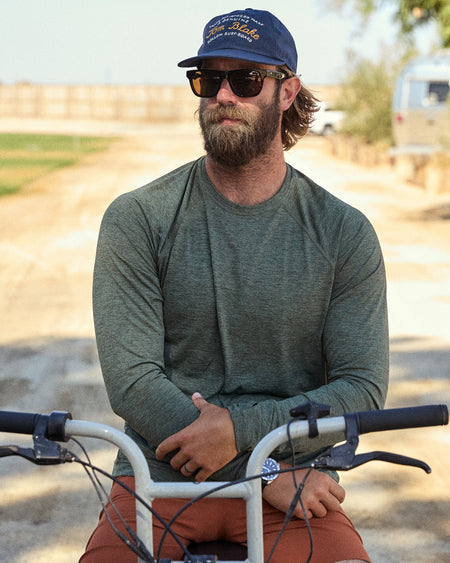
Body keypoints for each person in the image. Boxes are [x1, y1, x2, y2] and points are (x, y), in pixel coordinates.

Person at [81, 8, 388, 563]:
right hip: (161, 479)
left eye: (245, 80)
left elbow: (361, 388)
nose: (223, 94)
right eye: (208, 79)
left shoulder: (344, 233)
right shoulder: (139, 218)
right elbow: (132, 382)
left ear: (287, 92)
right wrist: (261, 468)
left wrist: (254, 446)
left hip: (296, 489)